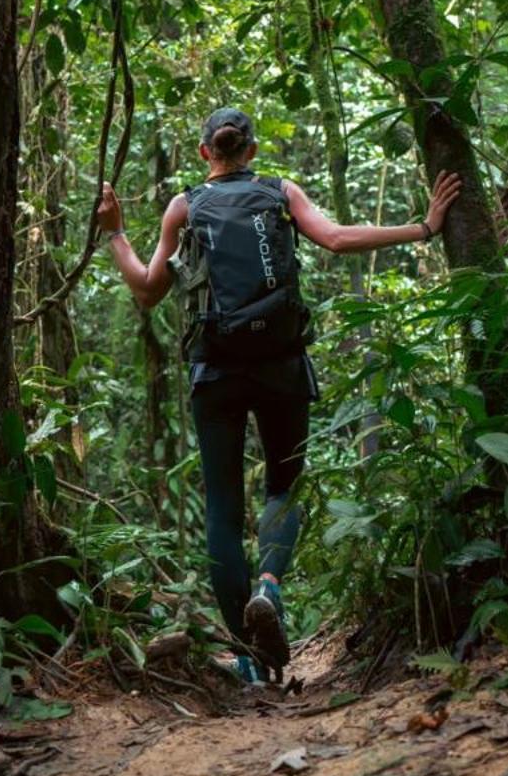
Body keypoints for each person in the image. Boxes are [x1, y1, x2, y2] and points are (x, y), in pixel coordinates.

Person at [94, 106, 462, 684]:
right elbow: (337, 240)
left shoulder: (184, 206)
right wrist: (424, 227)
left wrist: (115, 231)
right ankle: (269, 584)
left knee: (221, 508)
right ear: (253, 150)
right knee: (283, 486)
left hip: (214, 369)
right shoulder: (279, 191)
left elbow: (146, 290)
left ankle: (249, 658)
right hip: (281, 364)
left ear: (203, 154)